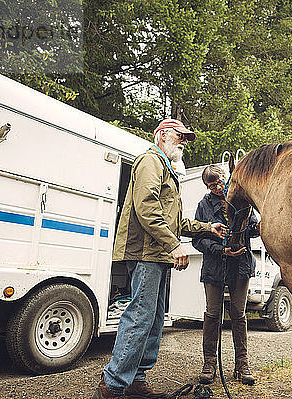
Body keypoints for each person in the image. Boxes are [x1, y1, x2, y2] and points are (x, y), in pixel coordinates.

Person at [94, 119, 227, 399]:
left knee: (154, 319)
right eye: (180, 136)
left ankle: (136, 380)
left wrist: (207, 228)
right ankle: (113, 385)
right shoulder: (150, 160)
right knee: (140, 316)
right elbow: (146, 208)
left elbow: (175, 220)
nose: (183, 141)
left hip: (157, 255)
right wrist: (173, 245)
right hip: (145, 254)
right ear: (162, 134)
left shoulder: (167, 168)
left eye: (186, 138)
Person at [192, 165, 260, 386]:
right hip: (214, 267)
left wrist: (258, 227)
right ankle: (209, 364)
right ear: (207, 186)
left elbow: (250, 228)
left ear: (225, 178)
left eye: (220, 182)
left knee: (238, 314)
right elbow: (198, 240)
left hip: (240, 265)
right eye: (212, 185)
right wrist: (221, 250)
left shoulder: (240, 197)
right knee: (212, 314)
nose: (218, 187)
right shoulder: (204, 205)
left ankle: (242, 364)